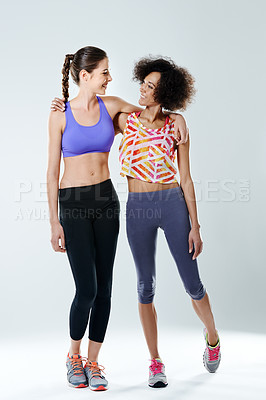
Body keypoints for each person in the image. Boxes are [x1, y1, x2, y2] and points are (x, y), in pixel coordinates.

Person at [47, 46, 188, 391]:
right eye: (105, 72)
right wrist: (54, 222)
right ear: (85, 76)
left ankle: (94, 362)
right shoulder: (60, 114)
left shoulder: (112, 107)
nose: (110, 78)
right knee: (87, 289)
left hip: (106, 200)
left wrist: (179, 117)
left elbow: (153, 113)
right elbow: (51, 173)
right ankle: (73, 355)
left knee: (106, 290)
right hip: (74, 202)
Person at [114, 56, 221, 388]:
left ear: (166, 93)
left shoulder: (176, 127)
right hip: (138, 207)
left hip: (172, 203)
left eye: (151, 87)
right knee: (145, 286)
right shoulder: (125, 120)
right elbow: (96, 104)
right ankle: (156, 362)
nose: (144, 90)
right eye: (143, 83)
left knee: (193, 283)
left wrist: (196, 225)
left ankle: (213, 339)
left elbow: (187, 179)